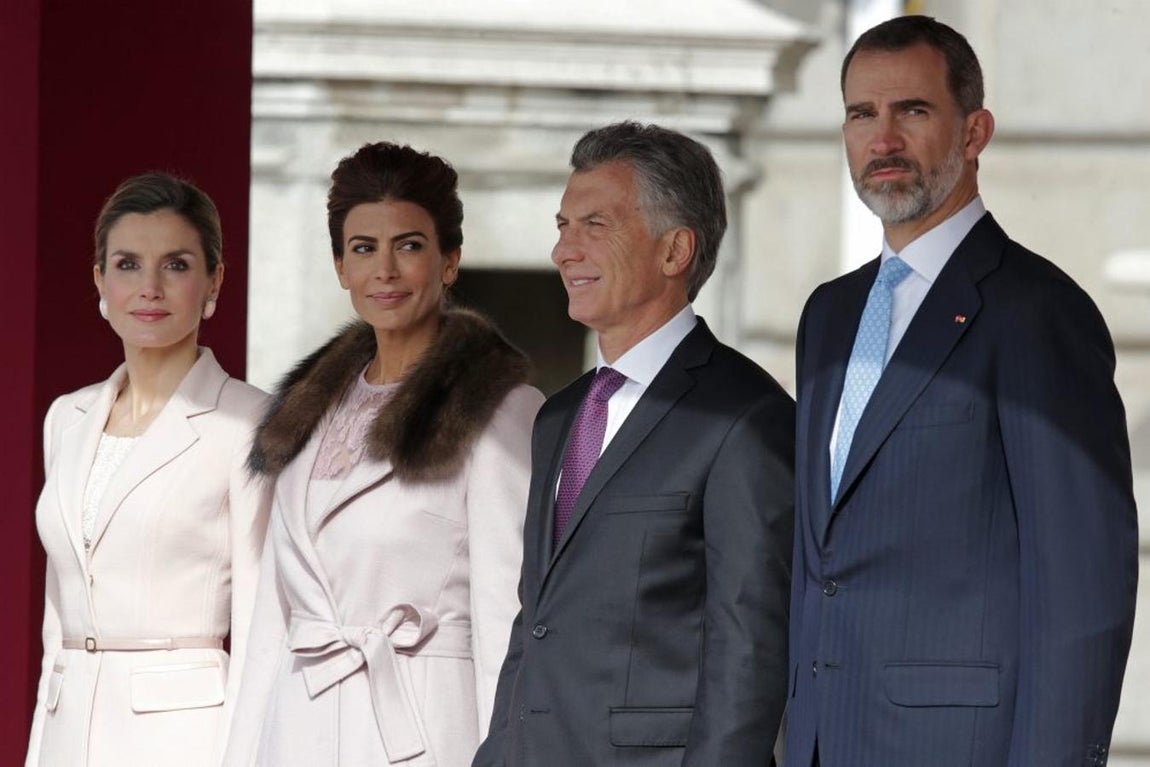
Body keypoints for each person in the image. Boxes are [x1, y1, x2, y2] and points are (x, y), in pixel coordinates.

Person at [787, 15, 1138, 767]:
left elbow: (1084, 591)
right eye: (861, 114)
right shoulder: (829, 314)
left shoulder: (1038, 311)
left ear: (974, 132)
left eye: (912, 110)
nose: (883, 139)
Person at [474, 121, 795, 767]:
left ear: (675, 250)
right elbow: (536, 623)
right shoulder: (559, 415)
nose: (564, 250)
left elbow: (749, 653)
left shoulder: (745, 415)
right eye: (562, 226)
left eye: (595, 225)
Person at [223, 142, 543, 767]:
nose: (386, 271)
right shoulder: (304, 414)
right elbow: (270, 628)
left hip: (422, 733)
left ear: (450, 261)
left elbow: (505, 618)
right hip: (299, 733)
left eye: (410, 245)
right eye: (364, 248)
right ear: (341, 267)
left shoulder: (496, 409)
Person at [26, 173, 272, 766]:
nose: (150, 288)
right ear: (100, 281)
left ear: (214, 281)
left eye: (177, 265)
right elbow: (57, 621)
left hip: (186, 739)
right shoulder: (67, 417)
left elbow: (262, 625)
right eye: (128, 264)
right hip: (65, 733)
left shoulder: (250, 421)